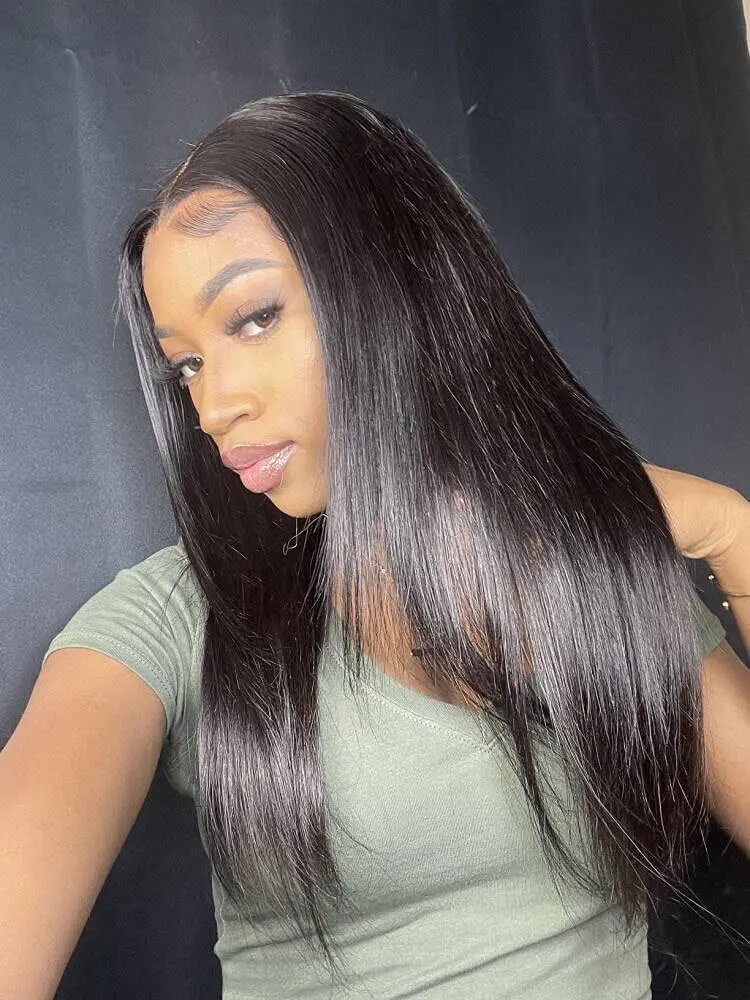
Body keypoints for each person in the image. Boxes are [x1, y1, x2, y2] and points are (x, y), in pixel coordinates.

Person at [2, 90, 749, 1000]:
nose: (213, 405)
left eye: (253, 317)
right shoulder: (174, 621)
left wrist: (732, 532)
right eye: (186, 363)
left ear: (399, 286)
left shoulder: (595, 578)